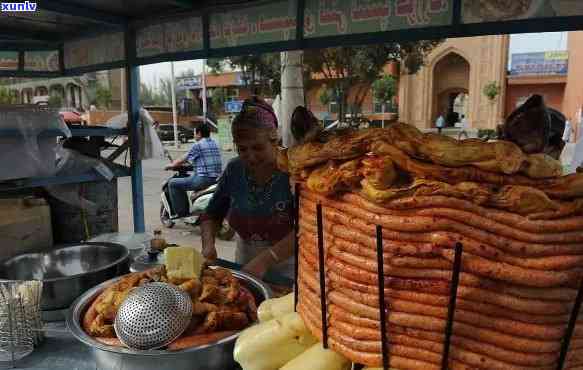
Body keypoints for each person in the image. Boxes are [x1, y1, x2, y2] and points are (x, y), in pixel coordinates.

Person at [200, 97, 295, 279]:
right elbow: (212, 213)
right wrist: (208, 245)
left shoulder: (293, 170)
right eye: (243, 149)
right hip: (245, 260)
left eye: (258, 148)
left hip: (289, 267)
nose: (250, 157)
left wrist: (265, 260)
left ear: (274, 139)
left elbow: (308, 229)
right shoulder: (234, 169)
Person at [165, 124, 222, 217]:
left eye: (195, 133)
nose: (194, 135)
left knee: (173, 183)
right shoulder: (215, 143)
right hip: (216, 178)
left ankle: (182, 213)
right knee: (186, 180)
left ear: (199, 133)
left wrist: (171, 165)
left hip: (203, 179)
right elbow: (200, 159)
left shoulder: (198, 145)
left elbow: (184, 158)